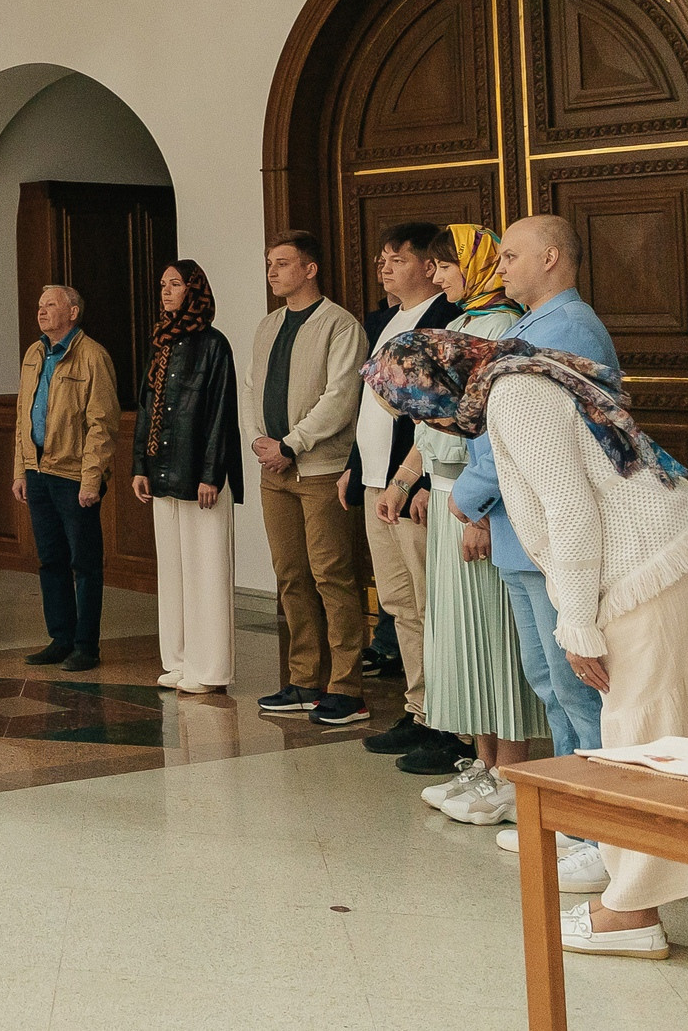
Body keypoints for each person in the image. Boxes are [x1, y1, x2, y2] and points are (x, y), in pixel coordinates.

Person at [364, 329, 688, 960]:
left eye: (409, 405)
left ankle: (631, 911)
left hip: (647, 568)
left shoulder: (513, 395)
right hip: (666, 556)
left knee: (637, 737)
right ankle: (650, 891)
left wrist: (577, 622)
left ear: (431, 381)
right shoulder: (513, 381)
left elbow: (568, 509)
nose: (421, 419)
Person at [445, 215, 614, 832]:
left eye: (512, 255)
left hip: (551, 530)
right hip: (521, 531)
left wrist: (471, 493)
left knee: (579, 688)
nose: (503, 265)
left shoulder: (567, 326)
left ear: (549, 258)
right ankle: (562, 811)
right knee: (548, 682)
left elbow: (540, 434)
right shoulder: (529, 326)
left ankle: (592, 823)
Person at [406, 225, 550, 804]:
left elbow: (487, 432)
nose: (438, 276)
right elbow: (436, 420)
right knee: (460, 636)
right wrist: (410, 479)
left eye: (446, 265)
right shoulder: (463, 323)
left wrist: (479, 513)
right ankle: (487, 764)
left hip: (479, 503)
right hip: (450, 494)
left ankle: (513, 773)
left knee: (492, 636)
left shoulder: (498, 329)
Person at [237, 231, 370, 726]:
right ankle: (304, 680)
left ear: (310, 269)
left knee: (331, 576)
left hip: (319, 469)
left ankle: (346, 688)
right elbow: (252, 387)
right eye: (269, 263)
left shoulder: (340, 324)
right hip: (275, 470)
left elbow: (340, 397)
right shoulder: (268, 325)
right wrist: (259, 440)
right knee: (290, 575)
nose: (273, 272)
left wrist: (291, 444)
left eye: (283, 263)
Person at [355, 222, 465, 771]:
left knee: (431, 602)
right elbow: (373, 400)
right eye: (382, 258)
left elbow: (441, 412)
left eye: (396, 257)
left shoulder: (445, 320)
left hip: (416, 488)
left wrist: (419, 482)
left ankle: (452, 721)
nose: (385, 266)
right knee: (399, 603)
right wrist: (358, 472)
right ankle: (420, 708)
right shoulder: (383, 321)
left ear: (428, 266)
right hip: (380, 482)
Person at [129, 259, 241, 693]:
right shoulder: (162, 344)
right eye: (163, 284)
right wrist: (141, 465)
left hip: (200, 477)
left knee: (206, 570)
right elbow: (145, 408)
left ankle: (210, 669)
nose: (166, 291)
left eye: (175, 284)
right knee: (173, 572)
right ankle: (178, 660)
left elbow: (219, 414)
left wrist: (211, 474)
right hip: (163, 472)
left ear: (194, 290)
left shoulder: (214, 345)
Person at [10, 283, 120, 672]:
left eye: (50, 305)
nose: (41, 311)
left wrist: (92, 479)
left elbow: (102, 424)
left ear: (73, 312)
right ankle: (61, 637)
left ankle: (86, 645)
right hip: (39, 472)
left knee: (85, 563)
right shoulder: (34, 353)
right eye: (39, 305)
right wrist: (21, 469)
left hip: (74, 474)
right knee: (50, 559)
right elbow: (23, 413)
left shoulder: (92, 356)